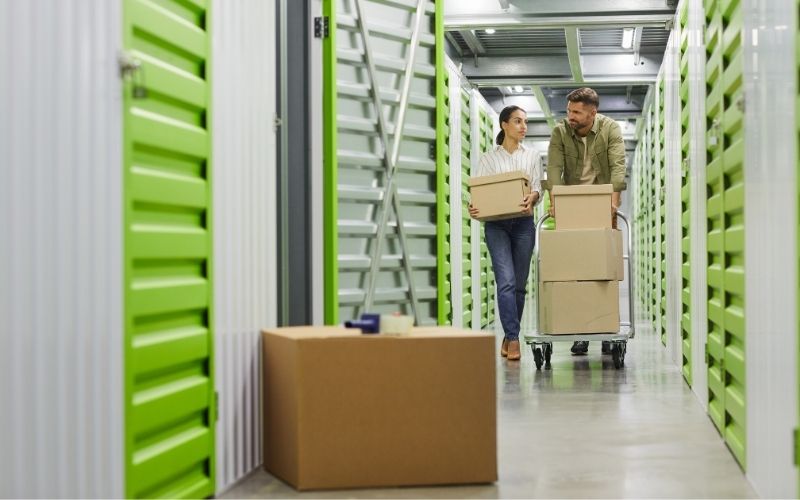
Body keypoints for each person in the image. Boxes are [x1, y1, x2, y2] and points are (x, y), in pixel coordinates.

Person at [546, 87, 627, 356]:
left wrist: (613, 202)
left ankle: (604, 328)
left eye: (577, 112)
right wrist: (555, 203)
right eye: (569, 110)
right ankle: (580, 331)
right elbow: (555, 168)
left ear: (593, 112)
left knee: (604, 272)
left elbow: (617, 164)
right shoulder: (560, 132)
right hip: (572, 203)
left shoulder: (610, 129)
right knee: (575, 272)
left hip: (601, 201)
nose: (570, 116)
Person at [469, 105, 543, 361]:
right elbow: (479, 192)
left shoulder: (532, 156)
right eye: (517, 121)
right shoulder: (488, 159)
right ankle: (513, 339)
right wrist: (474, 207)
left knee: (520, 287)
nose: (523, 126)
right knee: (507, 282)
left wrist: (533, 197)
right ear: (504, 125)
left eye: (525, 122)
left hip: (523, 224)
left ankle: (509, 334)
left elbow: (536, 188)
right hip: (497, 226)